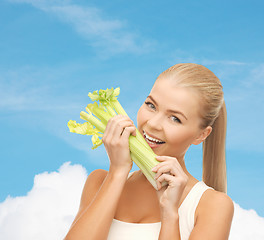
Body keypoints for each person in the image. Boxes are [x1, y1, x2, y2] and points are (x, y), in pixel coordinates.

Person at [64, 63, 234, 240]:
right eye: (151, 105)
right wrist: (118, 171)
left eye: (175, 118)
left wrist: (170, 214)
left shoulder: (211, 206)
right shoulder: (98, 182)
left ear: (201, 135)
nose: (152, 123)